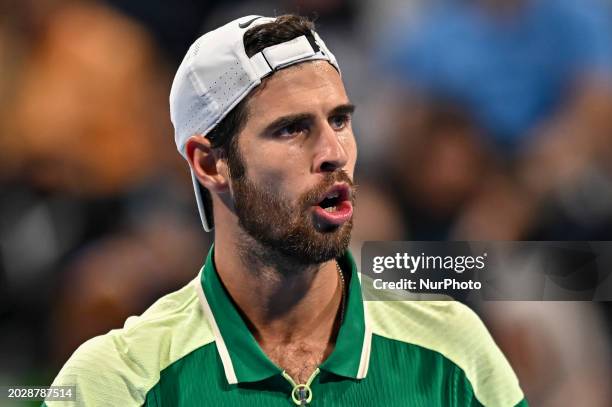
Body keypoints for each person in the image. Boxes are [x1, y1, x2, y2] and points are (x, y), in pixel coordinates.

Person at [45, 14, 527, 406]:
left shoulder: (453, 350)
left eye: (339, 119)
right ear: (211, 163)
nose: (334, 152)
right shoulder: (111, 385)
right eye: (292, 129)